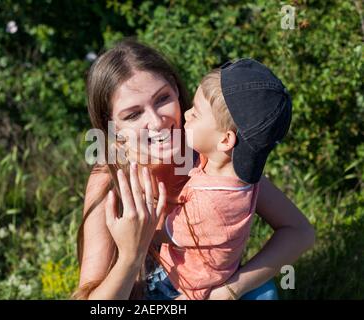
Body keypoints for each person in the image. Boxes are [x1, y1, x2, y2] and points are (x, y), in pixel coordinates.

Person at [73, 39, 315, 300]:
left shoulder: (212, 155)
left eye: (162, 99)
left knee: (261, 293)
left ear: (176, 90)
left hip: (206, 290)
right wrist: (132, 255)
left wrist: (228, 291)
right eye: (133, 115)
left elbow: (299, 232)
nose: (156, 122)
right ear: (113, 126)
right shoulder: (111, 178)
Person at [154, 59, 293, 300]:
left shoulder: (208, 204)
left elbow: (159, 235)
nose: (185, 113)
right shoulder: (240, 177)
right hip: (217, 276)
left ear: (226, 141)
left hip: (181, 287)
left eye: (195, 113)